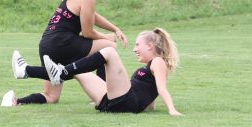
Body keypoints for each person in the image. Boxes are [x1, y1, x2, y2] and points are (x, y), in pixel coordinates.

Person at [3, 0, 126, 107]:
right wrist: (107, 37)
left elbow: (91, 15)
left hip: (47, 45)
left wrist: (114, 29)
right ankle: (104, 95)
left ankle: (16, 101)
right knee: (108, 47)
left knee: (51, 96)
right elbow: (87, 33)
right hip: (62, 43)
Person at [43, 28, 182, 116]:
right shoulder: (152, 66)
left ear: (150, 46)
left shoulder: (158, 61)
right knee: (80, 72)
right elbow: (150, 95)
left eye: (137, 45)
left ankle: (61, 73)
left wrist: (172, 109)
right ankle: (45, 73)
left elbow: (161, 88)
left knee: (109, 51)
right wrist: (149, 106)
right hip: (114, 103)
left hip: (127, 101)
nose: (134, 49)